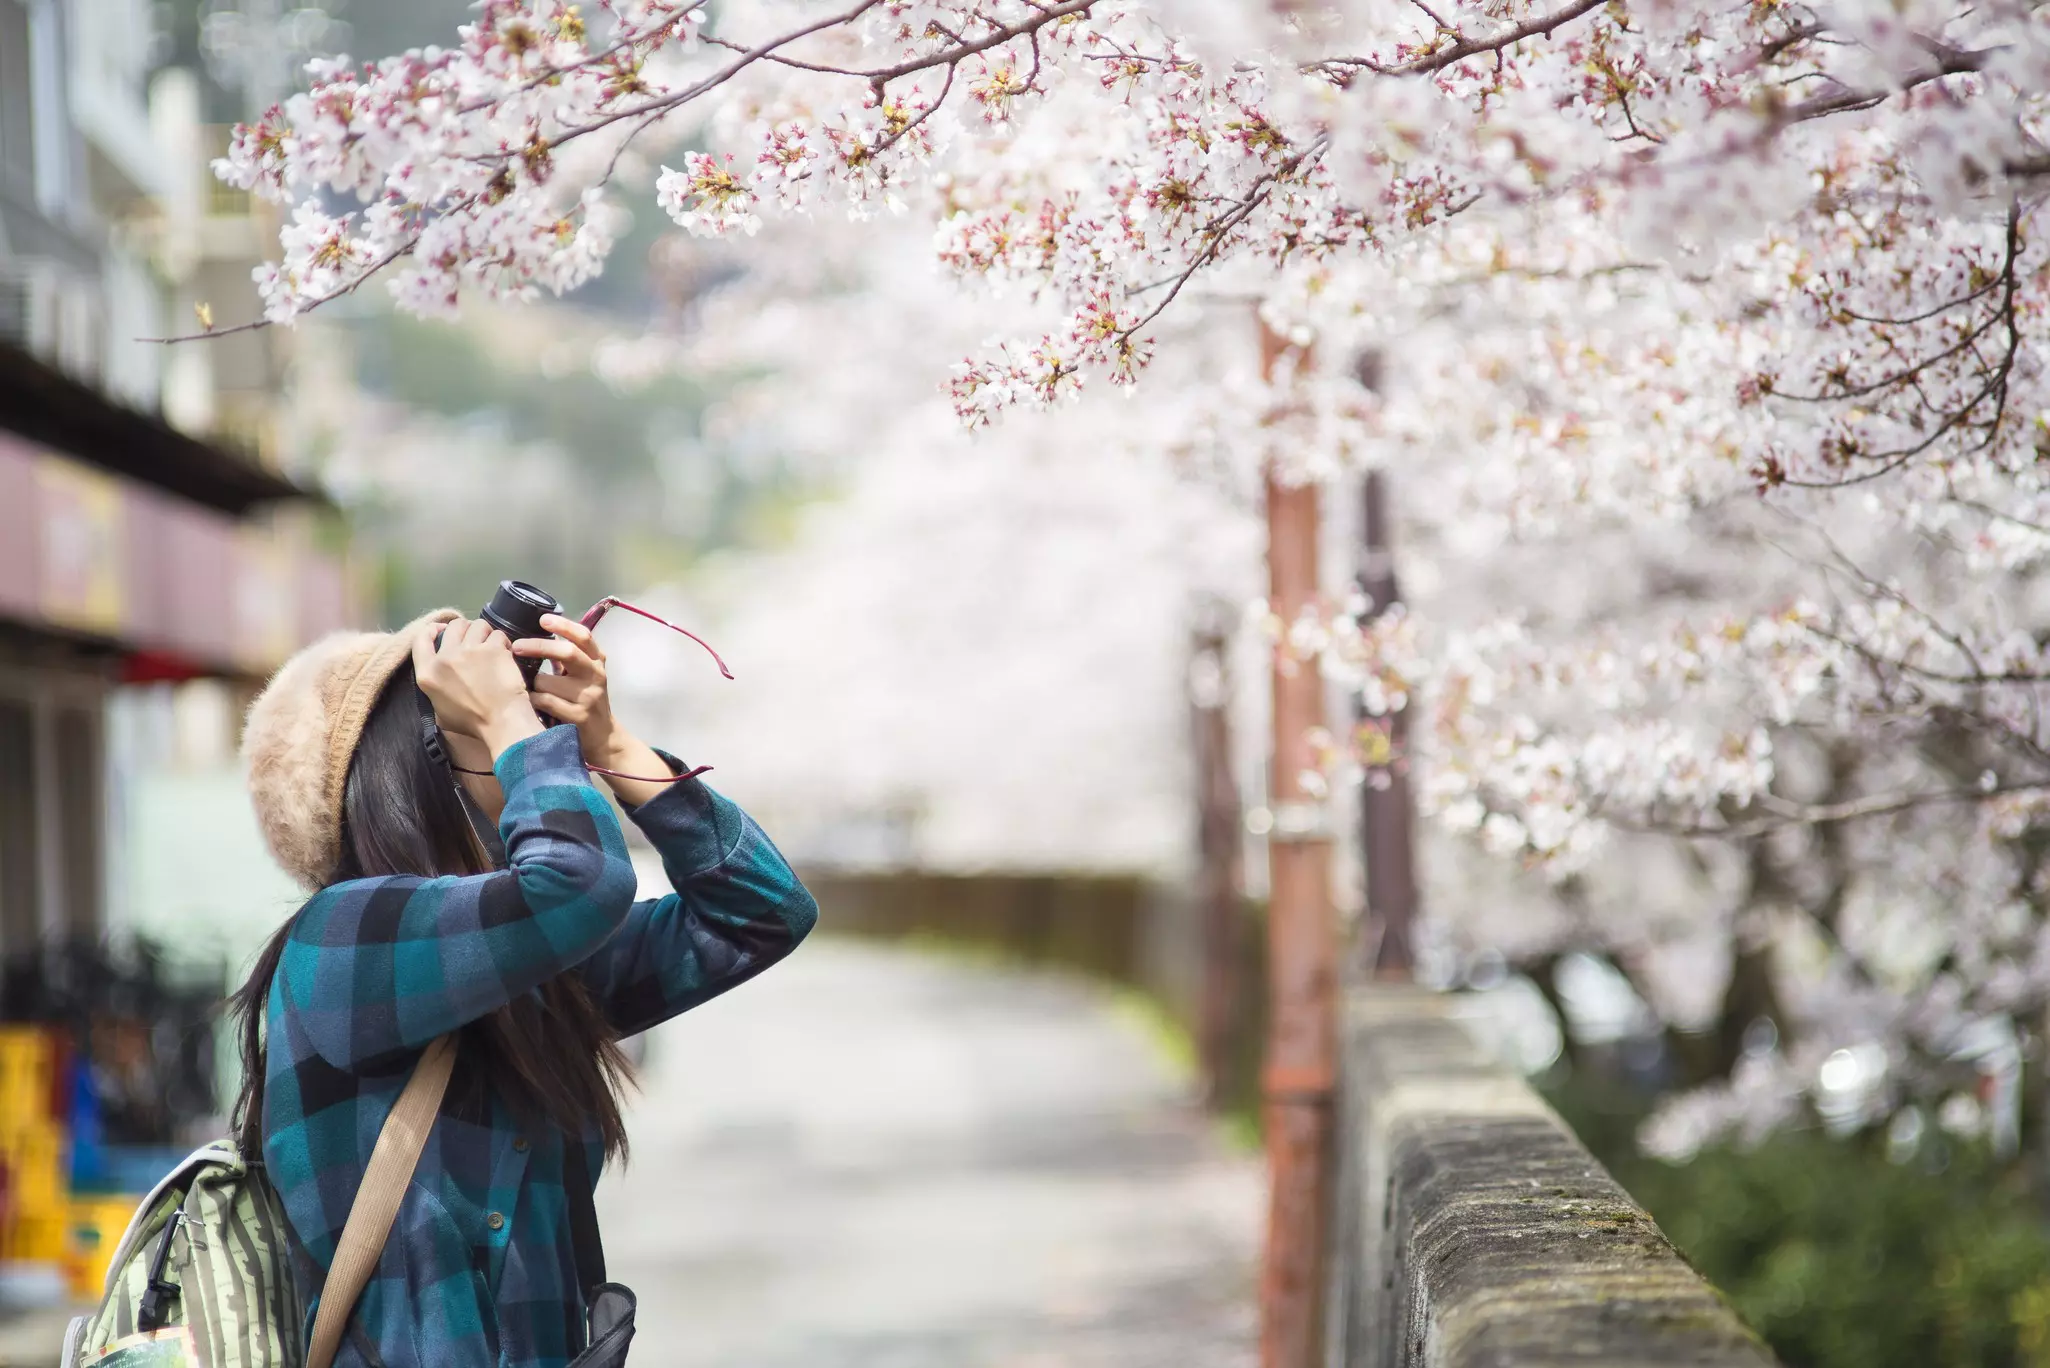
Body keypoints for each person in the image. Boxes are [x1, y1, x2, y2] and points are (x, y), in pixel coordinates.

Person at [228, 608, 818, 1368]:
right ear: (414, 770)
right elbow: (581, 884)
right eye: (488, 731)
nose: (536, 756)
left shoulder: (527, 975)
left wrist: (613, 744)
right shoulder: (342, 940)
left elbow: (763, 913)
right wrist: (515, 724)